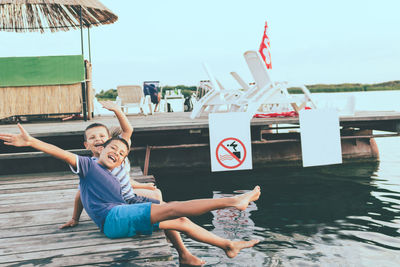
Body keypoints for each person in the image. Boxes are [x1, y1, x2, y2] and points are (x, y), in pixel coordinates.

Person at [0, 125, 261, 263]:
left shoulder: (108, 175)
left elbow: (80, 195)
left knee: (180, 221)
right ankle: (233, 202)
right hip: (113, 219)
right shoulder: (88, 166)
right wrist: (32, 142)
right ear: (100, 149)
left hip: (120, 216)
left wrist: (75, 219)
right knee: (171, 207)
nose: (117, 153)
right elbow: (60, 152)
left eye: (122, 154)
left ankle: (224, 246)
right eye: (112, 148)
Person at [60, 101, 161, 230]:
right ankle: (160, 226)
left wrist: (117, 110)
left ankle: (165, 228)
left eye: (102, 136)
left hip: (127, 196)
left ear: (109, 139)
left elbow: (128, 130)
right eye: (92, 138)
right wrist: (75, 218)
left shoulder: (114, 154)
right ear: (86, 145)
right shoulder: (90, 167)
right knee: (158, 198)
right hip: (117, 204)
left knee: (157, 194)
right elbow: (81, 194)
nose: (98, 139)